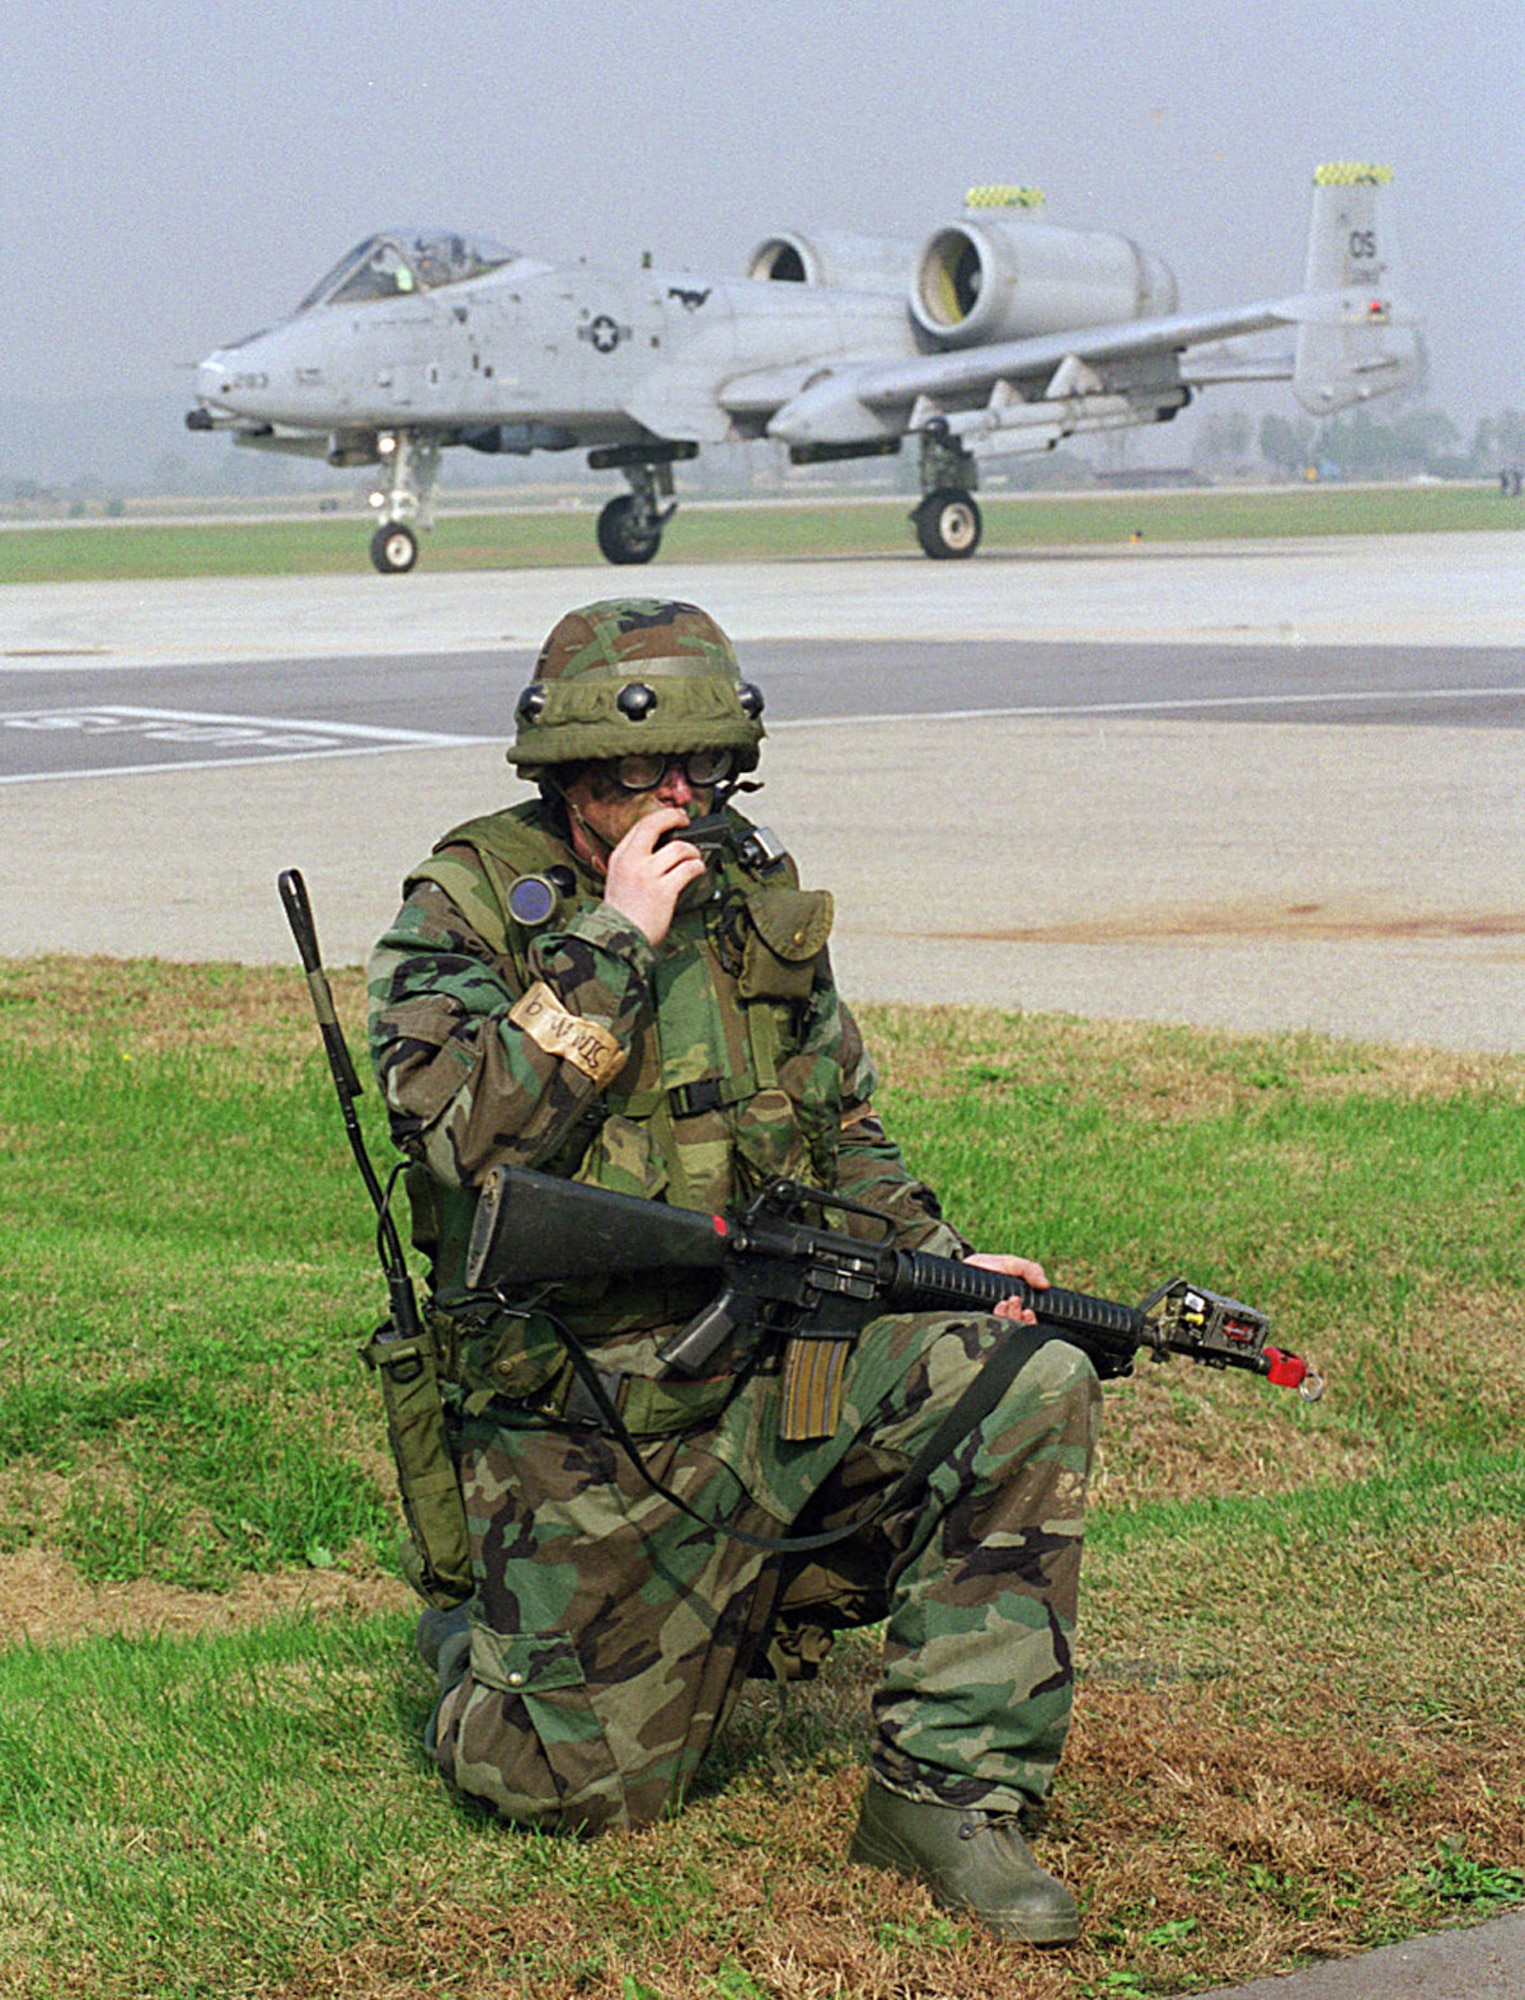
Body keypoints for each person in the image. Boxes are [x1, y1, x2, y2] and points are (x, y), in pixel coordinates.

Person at [367, 597, 1100, 1944]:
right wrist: (613, 946)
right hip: (584, 1418)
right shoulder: (471, 903)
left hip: (771, 1377)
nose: (674, 797)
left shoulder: (749, 894)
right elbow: (462, 1144)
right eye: (635, 775)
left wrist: (940, 1271)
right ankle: (493, 1650)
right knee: (581, 1799)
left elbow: (842, 1135)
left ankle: (944, 1798)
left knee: (1022, 1376)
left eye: (699, 770)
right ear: (561, 773)